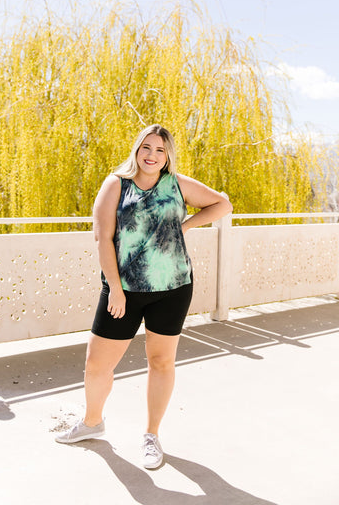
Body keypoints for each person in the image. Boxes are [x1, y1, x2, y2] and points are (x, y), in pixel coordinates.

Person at [55, 124, 233, 469]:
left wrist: (182, 227)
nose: (152, 156)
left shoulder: (176, 184)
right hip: (125, 291)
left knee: (161, 362)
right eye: (147, 148)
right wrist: (116, 291)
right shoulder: (116, 184)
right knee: (96, 365)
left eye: (160, 150)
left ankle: (151, 435)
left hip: (174, 287)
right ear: (137, 150)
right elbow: (103, 239)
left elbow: (222, 205)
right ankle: (93, 422)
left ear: (168, 156)